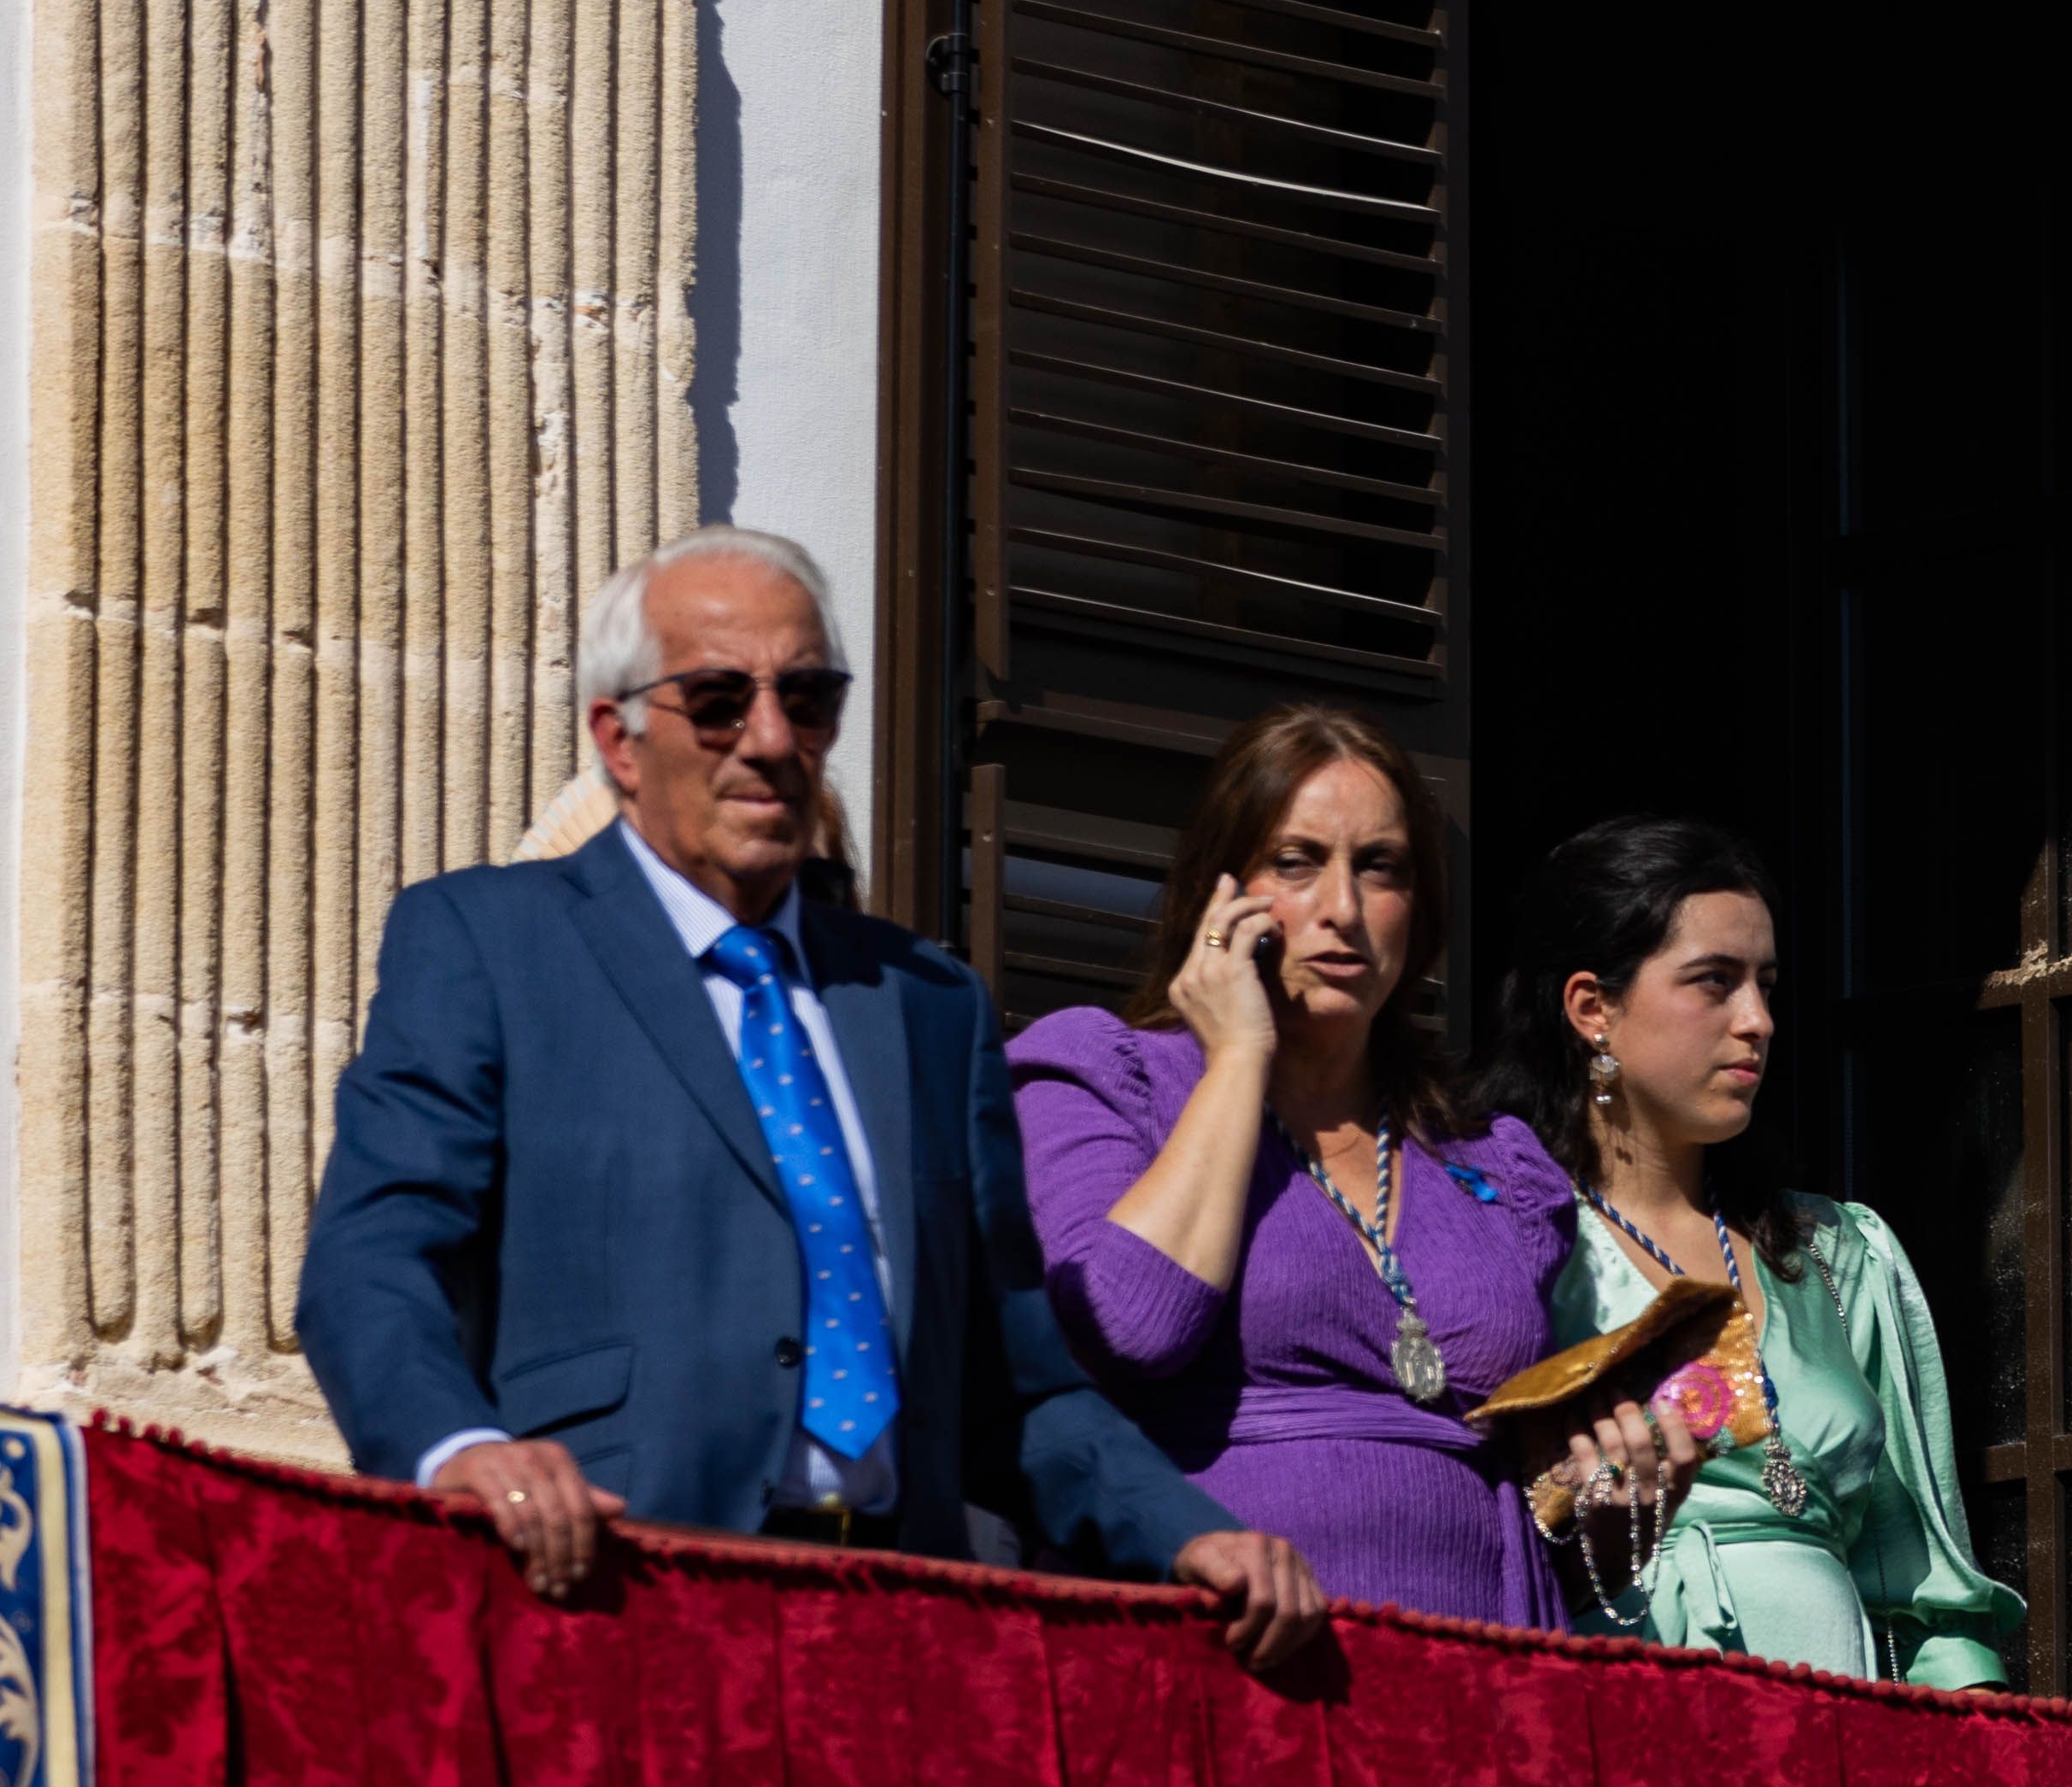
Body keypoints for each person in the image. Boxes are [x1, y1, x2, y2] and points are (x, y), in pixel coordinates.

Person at [299, 527, 1327, 1667]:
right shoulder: (490, 944)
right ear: (620, 739)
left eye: (808, 697)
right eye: (719, 700)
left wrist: (1190, 1534)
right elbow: (372, 1263)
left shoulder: (924, 1002)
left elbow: (1016, 1389)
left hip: (901, 1633)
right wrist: (458, 1449)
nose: (774, 740)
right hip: (608, 1599)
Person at [1007, 705, 1693, 1622]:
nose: (1342, 909)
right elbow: (1127, 1327)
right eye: (1296, 863)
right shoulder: (1107, 1076)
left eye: (1381, 868)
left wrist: (1612, 1517)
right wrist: (1237, 1061)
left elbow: (1533, 1504)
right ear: (1220, 893)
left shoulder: (1495, 1162)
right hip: (1218, 1644)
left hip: (1474, 1661)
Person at [1499, 818, 2022, 1685]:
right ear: (1593, 1009)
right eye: (1715, 983)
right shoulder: (1509, 1238)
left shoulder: (1836, 1253)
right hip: (1612, 1713)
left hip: (1836, 1733)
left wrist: (1978, 1766)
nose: (1759, 1021)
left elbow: (1928, 1587)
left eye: (1767, 987)